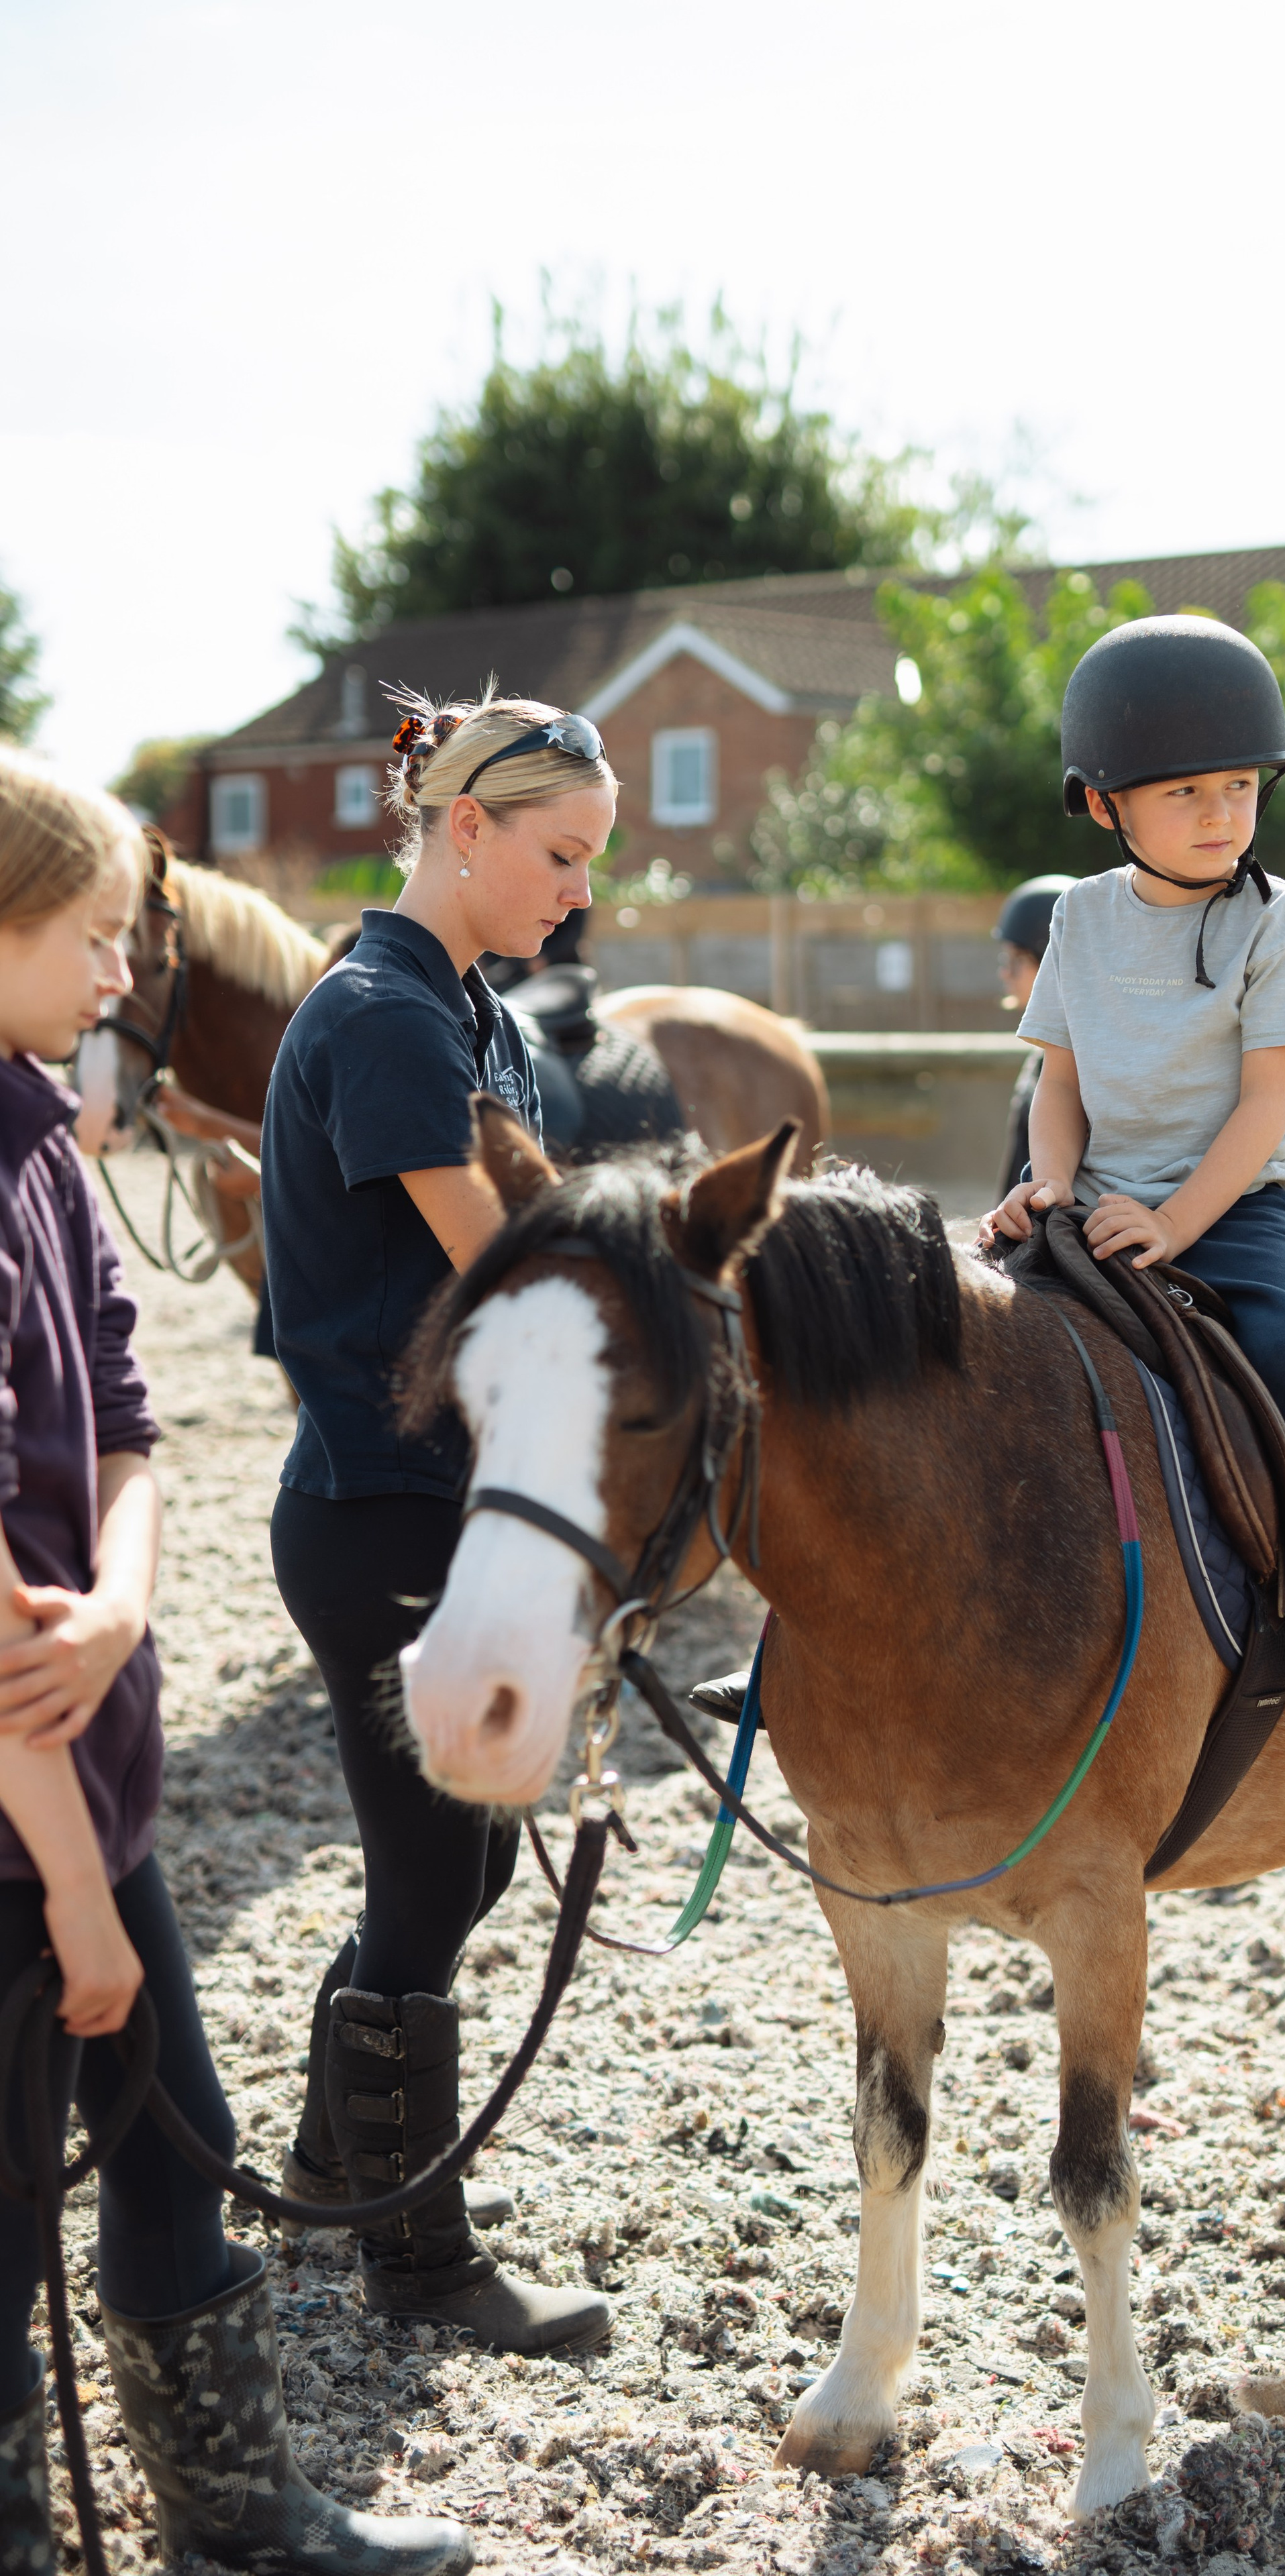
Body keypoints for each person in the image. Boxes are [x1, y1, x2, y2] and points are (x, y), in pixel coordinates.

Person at [0, 750, 468, 2575]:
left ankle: (241, 2517)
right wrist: (74, 1889)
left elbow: (127, 1414)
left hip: (85, 1776)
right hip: (28, 1821)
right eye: (94, 935)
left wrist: (121, 1605)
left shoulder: (44, 1139)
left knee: (180, 2151)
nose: (124, 974)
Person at [260, 692, 617, 2356]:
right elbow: (511, 1274)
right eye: (558, 854)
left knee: (462, 1854)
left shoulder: (475, 1012)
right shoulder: (388, 1018)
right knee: (428, 1872)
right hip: (382, 1506)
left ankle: (328, 2166)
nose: (577, 894)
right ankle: (413, 2262)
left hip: (451, 1505)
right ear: (462, 823)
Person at [980, 616, 1285, 1751]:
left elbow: (1263, 1108)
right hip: (1097, 1201)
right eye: (1186, 792)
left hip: (1237, 1210)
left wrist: (1178, 1221)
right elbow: (1059, 1083)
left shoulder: (1282, 926)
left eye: (1239, 787)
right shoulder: (1080, 920)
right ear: (1104, 806)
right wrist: (1046, 1187)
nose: (1222, 815)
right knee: (945, 1332)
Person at [992, 874, 1077, 1203]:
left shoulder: (1082, 1065)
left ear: (1051, 962)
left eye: (1015, 960)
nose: (1004, 973)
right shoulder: (1043, 1053)